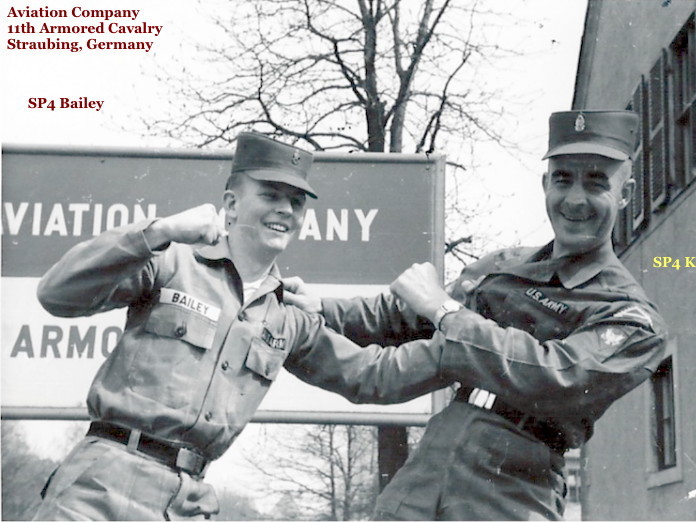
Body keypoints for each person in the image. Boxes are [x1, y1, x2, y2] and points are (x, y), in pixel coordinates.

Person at [32, 132, 453, 521]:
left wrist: (462, 337)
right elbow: (58, 293)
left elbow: (371, 376)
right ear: (231, 204)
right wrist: (158, 232)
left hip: (183, 502)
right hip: (100, 487)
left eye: (296, 202)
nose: (285, 210)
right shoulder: (172, 261)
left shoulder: (288, 317)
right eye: (270, 195)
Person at [283, 110, 668, 520]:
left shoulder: (631, 318)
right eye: (562, 179)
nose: (575, 199)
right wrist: (322, 307)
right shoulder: (504, 266)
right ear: (544, 185)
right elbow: (406, 314)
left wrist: (445, 311)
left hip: (513, 484)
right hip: (431, 462)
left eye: (596, 183)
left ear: (625, 193)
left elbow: (557, 373)